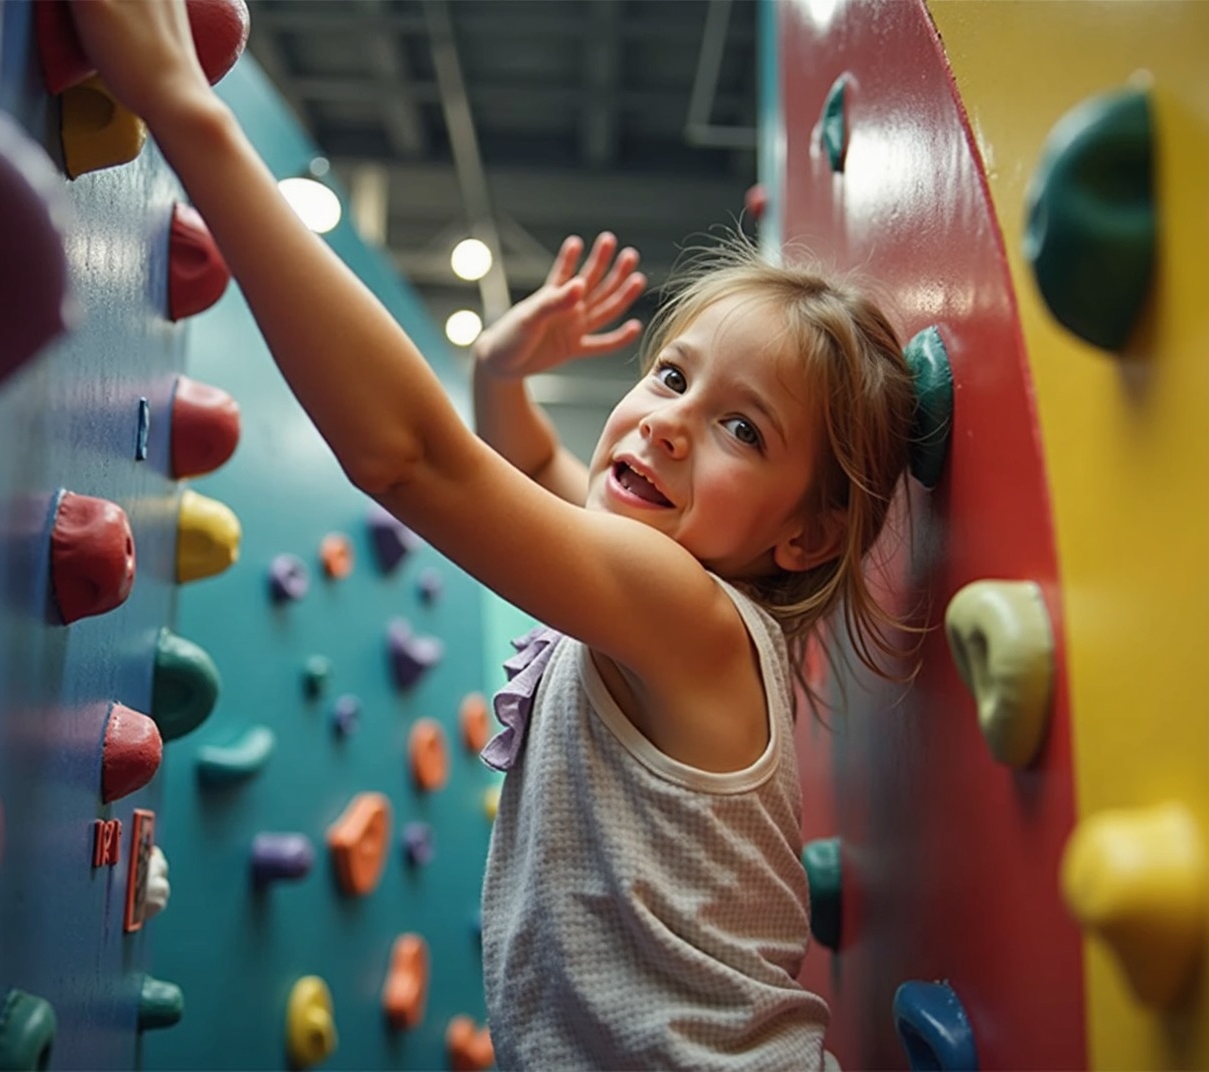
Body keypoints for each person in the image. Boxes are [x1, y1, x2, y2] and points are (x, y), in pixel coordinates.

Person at [72, 2, 919, 1067]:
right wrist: (503, 374)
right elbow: (524, 466)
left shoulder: (687, 613)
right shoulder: (659, 592)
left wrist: (187, 112)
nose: (665, 422)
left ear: (804, 537)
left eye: (741, 428)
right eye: (671, 375)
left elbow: (414, 462)